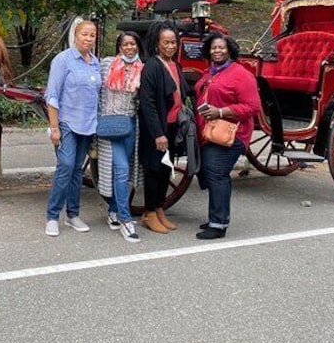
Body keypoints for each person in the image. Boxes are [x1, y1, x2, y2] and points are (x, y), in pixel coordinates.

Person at [194, 32, 261, 240]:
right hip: (210, 133)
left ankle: (219, 224)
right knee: (210, 172)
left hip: (232, 134)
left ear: (230, 50)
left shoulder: (241, 75)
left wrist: (220, 112)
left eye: (221, 47)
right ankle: (216, 217)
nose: (217, 51)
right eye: (214, 47)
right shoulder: (211, 72)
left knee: (217, 174)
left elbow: (252, 107)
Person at [44, 20, 101, 237]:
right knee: (66, 166)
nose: (88, 38)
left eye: (92, 35)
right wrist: (54, 127)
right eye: (84, 34)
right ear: (75, 36)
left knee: (78, 170)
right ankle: (52, 216)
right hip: (67, 123)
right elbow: (52, 95)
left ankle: (73, 214)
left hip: (88, 125)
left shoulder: (94, 62)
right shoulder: (63, 60)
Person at [138, 20, 188, 234]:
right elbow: (147, 103)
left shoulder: (175, 65)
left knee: (166, 170)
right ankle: (148, 213)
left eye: (173, 42)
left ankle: (159, 209)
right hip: (157, 129)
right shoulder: (151, 66)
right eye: (166, 42)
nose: (170, 46)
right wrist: (158, 133)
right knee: (154, 170)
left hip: (173, 126)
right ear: (157, 44)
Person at [97, 31, 145, 243]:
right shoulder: (107, 64)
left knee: (124, 172)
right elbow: (96, 92)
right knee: (121, 169)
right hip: (109, 123)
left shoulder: (142, 69)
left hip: (130, 124)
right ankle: (126, 220)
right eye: (125, 44)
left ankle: (114, 210)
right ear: (119, 46)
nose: (129, 47)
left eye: (133, 44)